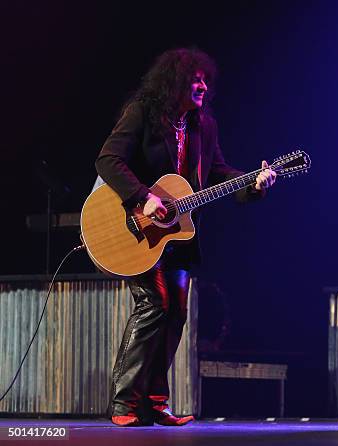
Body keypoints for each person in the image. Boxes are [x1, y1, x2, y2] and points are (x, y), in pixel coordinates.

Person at [95, 48, 276, 427]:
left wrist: (253, 184)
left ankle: (155, 402)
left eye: (205, 80)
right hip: (133, 225)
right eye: (195, 78)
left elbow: (218, 173)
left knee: (176, 312)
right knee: (155, 303)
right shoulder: (143, 111)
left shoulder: (202, 126)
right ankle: (124, 401)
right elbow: (108, 159)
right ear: (173, 82)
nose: (202, 85)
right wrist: (144, 197)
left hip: (177, 236)